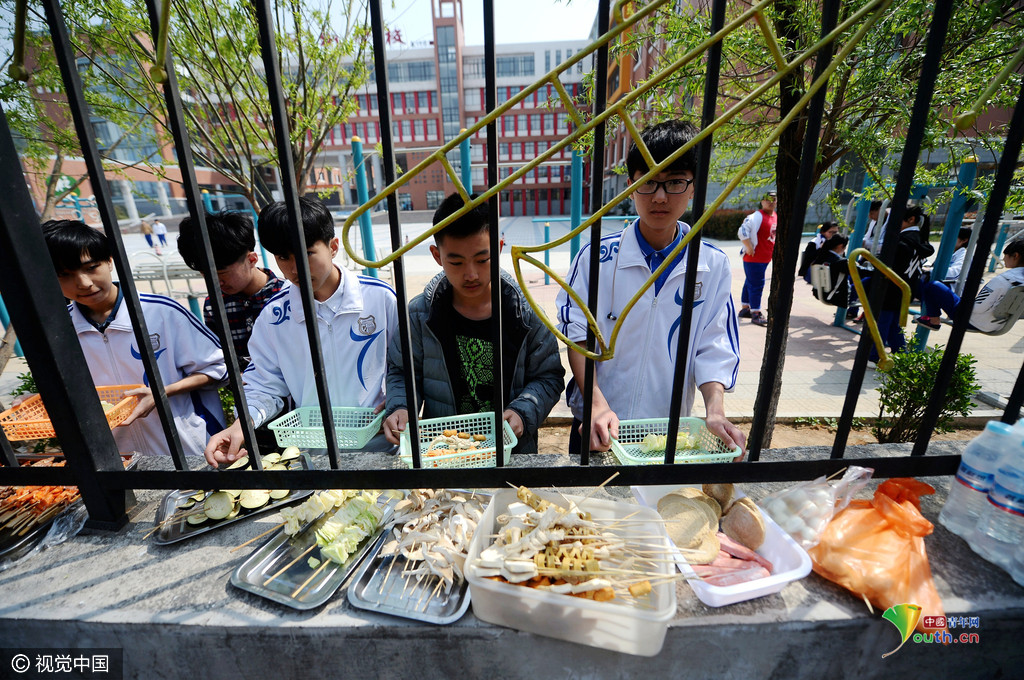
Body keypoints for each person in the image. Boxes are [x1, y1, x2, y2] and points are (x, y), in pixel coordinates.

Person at [555, 119, 744, 455]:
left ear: (693, 186)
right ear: (630, 185)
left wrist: (715, 410)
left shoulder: (711, 265)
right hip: (598, 427)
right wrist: (597, 403)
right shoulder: (596, 257)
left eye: (673, 183)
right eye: (647, 182)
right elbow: (577, 335)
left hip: (667, 429)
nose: (659, 197)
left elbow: (713, 346)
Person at [203, 197, 397, 467]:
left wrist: (400, 403)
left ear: (333, 247)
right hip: (313, 452)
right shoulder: (273, 317)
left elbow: (406, 366)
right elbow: (264, 386)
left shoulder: (380, 299)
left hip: (381, 445)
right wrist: (240, 425)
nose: (295, 269)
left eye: (306, 254)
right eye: (284, 257)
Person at [382, 193, 564, 454]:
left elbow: (549, 376)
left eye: (482, 259)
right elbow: (402, 371)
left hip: (512, 453)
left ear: (499, 247)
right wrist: (401, 406)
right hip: (445, 452)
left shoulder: (526, 313)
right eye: (455, 262)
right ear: (436, 255)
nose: (471, 274)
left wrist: (523, 411)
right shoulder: (419, 314)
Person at [40, 220, 227, 457]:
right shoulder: (61, 330)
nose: (84, 283)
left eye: (91, 268)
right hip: (120, 459)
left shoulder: (161, 313)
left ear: (109, 261)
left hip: (193, 450)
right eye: (65, 275)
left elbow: (221, 368)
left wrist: (162, 392)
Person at [176, 211, 286, 369]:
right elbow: (218, 356)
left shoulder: (287, 295)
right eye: (205, 275)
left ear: (251, 259)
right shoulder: (214, 304)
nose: (216, 282)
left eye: (222, 274)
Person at [869, 205, 934, 362]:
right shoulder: (919, 240)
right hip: (906, 288)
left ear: (910, 220)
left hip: (891, 288)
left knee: (882, 323)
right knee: (892, 324)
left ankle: (875, 357)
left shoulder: (902, 241)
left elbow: (890, 266)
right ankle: (902, 356)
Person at [916, 238, 1024, 333]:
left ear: (1015, 256)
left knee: (933, 286)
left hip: (971, 321)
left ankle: (933, 320)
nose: (1004, 259)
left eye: (1005, 255)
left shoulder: (1002, 280)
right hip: (998, 325)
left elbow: (977, 308)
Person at [737, 189, 777, 327]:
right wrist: (748, 246)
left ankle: (745, 308)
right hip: (754, 258)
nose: (771, 202)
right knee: (757, 284)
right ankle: (755, 312)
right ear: (762, 201)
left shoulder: (775, 216)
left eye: (774, 199)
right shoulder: (756, 217)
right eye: (768, 199)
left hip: (765, 257)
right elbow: (742, 231)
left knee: (750, 282)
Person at [809, 234, 851, 306]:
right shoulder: (840, 262)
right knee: (868, 280)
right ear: (841, 246)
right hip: (835, 296)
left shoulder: (820, 256)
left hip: (818, 292)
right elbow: (860, 271)